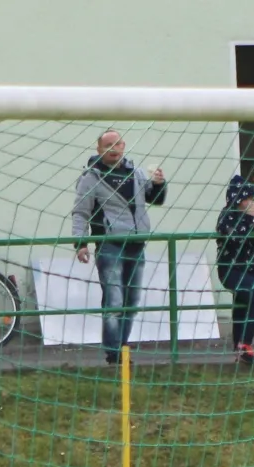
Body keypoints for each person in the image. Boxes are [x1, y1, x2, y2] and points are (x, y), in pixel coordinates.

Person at [72, 130, 167, 365]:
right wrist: (81, 243)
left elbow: (155, 199)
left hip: (136, 244)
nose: (113, 149)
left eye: (117, 144)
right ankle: (114, 352)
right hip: (110, 245)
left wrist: (159, 184)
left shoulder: (136, 173)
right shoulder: (90, 178)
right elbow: (81, 212)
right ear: (99, 150)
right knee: (114, 301)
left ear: (124, 146)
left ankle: (123, 347)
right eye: (107, 145)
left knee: (132, 301)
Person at [215, 175, 254, 365]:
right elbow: (234, 235)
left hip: (249, 270)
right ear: (237, 200)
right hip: (231, 271)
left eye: (252, 198)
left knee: (242, 306)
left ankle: (239, 348)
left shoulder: (251, 218)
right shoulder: (227, 216)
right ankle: (245, 344)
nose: (252, 202)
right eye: (247, 199)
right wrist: (249, 219)